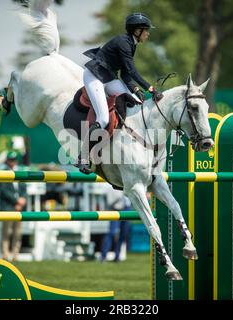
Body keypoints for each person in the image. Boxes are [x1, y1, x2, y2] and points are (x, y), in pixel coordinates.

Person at [76, 13, 164, 174]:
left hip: (109, 77)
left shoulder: (132, 44)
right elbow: (132, 70)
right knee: (102, 118)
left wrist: (136, 90)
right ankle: (82, 157)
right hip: (94, 76)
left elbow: (125, 74)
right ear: (137, 31)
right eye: (146, 30)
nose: (148, 33)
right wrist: (149, 88)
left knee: (135, 101)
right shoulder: (124, 43)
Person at [0, 151, 27, 261]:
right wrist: (17, 201)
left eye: (14, 160)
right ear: (7, 161)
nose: (12, 162)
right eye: (10, 160)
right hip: (7, 206)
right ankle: (5, 253)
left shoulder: (20, 172)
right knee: (6, 232)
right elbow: (3, 191)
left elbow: (24, 188)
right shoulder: (2, 172)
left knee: (17, 232)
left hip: (18, 207)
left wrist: (22, 200)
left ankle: (15, 253)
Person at [100, 187, 132, 262]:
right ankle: (103, 256)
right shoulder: (111, 187)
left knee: (123, 234)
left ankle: (117, 256)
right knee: (112, 232)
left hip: (127, 208)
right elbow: (110, 202)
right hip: (116, 209)